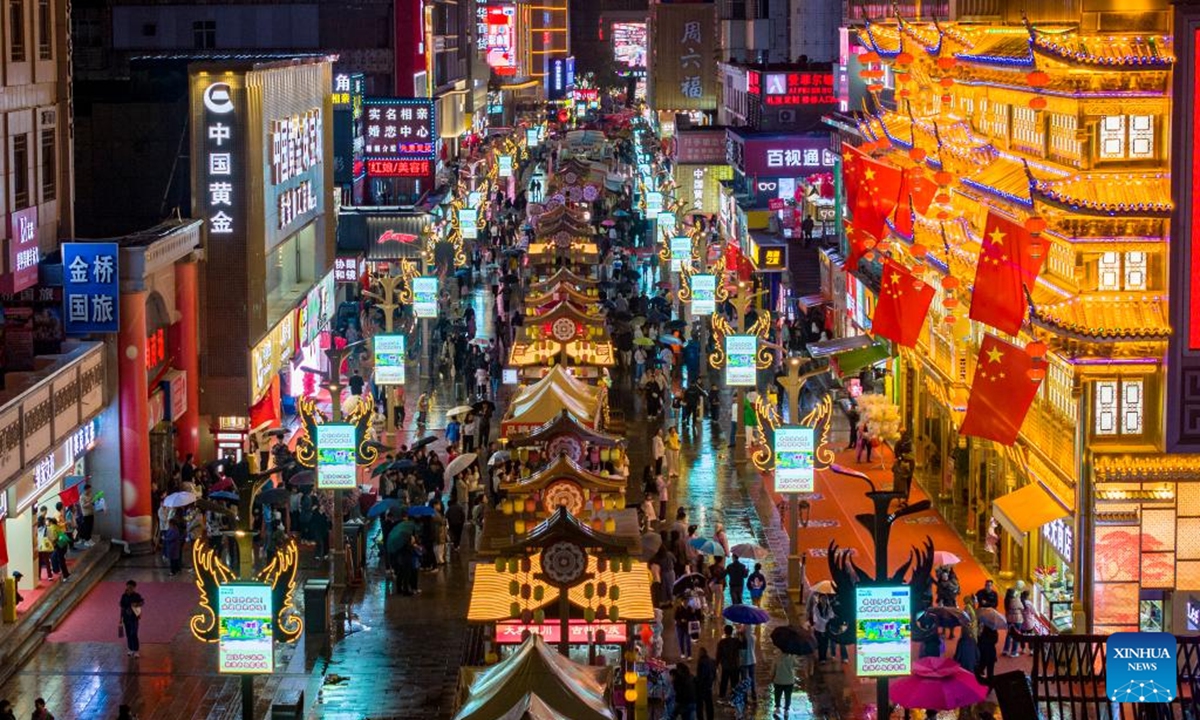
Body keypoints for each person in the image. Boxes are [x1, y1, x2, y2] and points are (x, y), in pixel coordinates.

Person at [715, 625, 742, 702]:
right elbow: (744, 646)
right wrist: (740, 635)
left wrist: (716, 665)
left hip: (726, 666)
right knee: (735, 683)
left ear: (725, 632)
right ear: (732, 632)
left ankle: (721, 697)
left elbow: (718, 655)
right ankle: (734, 698)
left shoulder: (721, 642)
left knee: (724, 681)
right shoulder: (736, 641)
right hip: (735, 666)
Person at [119, 580, 144, 658]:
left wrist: (136, 604)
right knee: (128, 634)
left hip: (134, 618)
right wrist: (120, 618)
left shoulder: (137, 595)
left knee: (134, 633)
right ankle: (130, 649)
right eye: (128, 587)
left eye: (131, 587)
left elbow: (142, 603)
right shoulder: (124, 596)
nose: (129, 588)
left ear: (134, 588)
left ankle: (136, 650)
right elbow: (122, 607)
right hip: (126, 618)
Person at [811, 593, 836, 663]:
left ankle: (823, 658)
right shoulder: (816, 607)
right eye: (822, 599)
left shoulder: (829, 607)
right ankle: (821, 657)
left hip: (826, 629)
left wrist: (827, 619)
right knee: (819, 643)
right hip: (818, 628)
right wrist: (826, 620)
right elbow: (818, 618)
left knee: (825, 643)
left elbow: (831, 615)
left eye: (825, 599)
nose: (823, 600)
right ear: (819, 599)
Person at [694, 646, 716, 720]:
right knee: (709, 704)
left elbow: (701, 675)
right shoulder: (712, 661)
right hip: (709, 686)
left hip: (701, 686)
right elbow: (714, 674)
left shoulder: (701, 661)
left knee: (699, 705)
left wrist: (697, 683)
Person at [1003, 587, 1024, 657]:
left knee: (1009, 634)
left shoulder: (1006, 600)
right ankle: (1014, 652)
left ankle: (1005, 650)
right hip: (1017, 619)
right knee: (1016, 635)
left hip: (1009, 618)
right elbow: (1022, 607)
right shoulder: (1016, 600)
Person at [739, 623, 758, 701]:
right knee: (752, 678)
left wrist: (739, 632)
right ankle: (754, 694)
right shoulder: (753, 637)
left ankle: (745, 696)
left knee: (744, 679)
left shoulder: (742, 638)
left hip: (744, 661)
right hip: (752, 660)